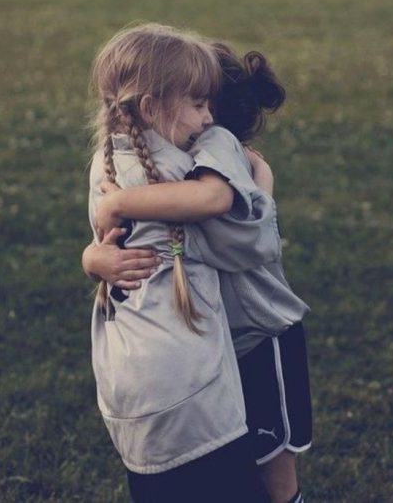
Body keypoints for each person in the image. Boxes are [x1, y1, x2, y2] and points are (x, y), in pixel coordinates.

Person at [84, 42, 312, 503]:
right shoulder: (147, 162)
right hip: (213, 341)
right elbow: (117, 240)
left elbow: (242, 240)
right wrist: (92, 258)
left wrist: (261, 191)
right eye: (194, 101)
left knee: (275, 477)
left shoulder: (217, 158)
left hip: (256, 335)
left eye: (205, 102)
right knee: (239, 469)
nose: (203, 116)